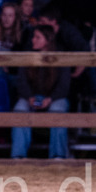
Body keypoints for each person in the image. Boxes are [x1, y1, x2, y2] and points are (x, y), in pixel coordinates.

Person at [11, 25, 70, 159]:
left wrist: (50, 99)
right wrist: (29, 97)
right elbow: (21, 81)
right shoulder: (27, 56)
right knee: (20, 109)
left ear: (48, 40)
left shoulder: (61, 56)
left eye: (38, 37)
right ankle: (18, 156)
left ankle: (58, 155)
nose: (33, 40)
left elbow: (64, 85)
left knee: (58, 111)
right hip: (31, 96)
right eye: (33, 37)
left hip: (54, 97)